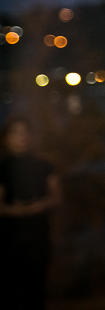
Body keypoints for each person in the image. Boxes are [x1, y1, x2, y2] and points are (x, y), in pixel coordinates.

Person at [0, 117, 61, 310]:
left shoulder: (44, 165)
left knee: (35, 292)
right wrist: (20, 210)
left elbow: (57, 196)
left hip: (38, 239)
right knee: (10, 293)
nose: (22, 137)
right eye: (16, 133)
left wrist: (38, 206)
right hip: (8, 240)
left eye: (25, 132)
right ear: (7, 138)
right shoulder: (3, 168)